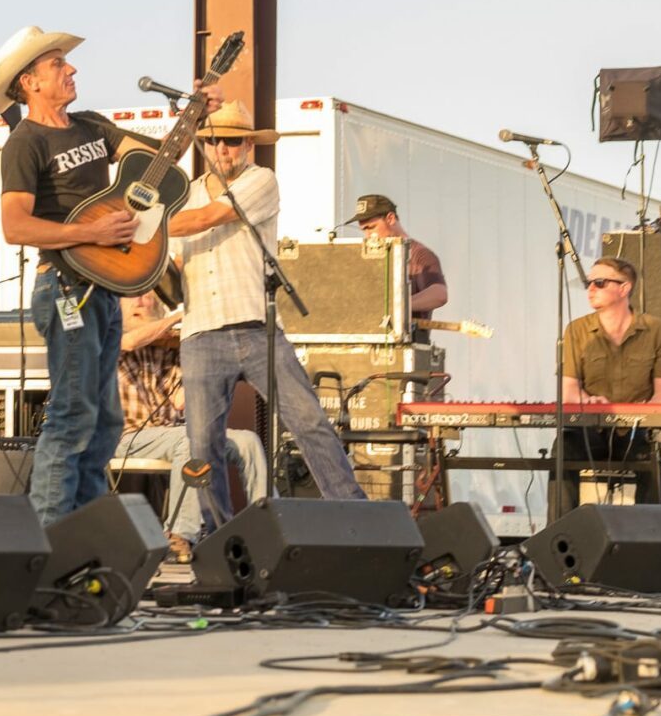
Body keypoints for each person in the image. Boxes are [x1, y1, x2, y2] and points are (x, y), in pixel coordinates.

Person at [0, 25, 221, 524]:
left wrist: (195, 111)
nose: (70, 69)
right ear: (29, 82)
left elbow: (162, 162)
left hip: (106, 290)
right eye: (56, 65)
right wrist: (89, 235)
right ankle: (50, 543)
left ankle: (86, 536)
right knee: (73, 418)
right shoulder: (24, 143)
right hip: (66, 287)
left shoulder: (93, 126)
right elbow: (15, 226)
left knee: (105, 422)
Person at [167, 100, 366, 525]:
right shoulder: (184, 193)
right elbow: (175, 263)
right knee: (202, 445)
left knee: (309, 422)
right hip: (201, 331)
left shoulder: (261, 180)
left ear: (248, 146)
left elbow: (208, 218)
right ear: (206, 143)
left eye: (234, 140)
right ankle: (218, 536)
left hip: (257, 326)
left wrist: (144, 224)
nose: (224, 148)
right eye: (217, 140)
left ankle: (355, 517)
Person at [114, 292, 267, 562]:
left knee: (249, 441)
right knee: (192, 441)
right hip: (125, 438)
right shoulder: (111, 331)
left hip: (170, 434)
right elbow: (130, 341)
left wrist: (202, 354)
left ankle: (267, 526)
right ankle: (179, 534)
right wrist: (183, 316)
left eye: (147, 297)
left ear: (156, 305)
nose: (139, 301)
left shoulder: (172, 347)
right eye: (131, 296)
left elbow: (181, 401)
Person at [552, 255, 661, 519]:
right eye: (588, 283)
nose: (590, 289)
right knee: (563, 448)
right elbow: (569, 390)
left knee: (654, 455)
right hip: (591, 430)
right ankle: (559, 536)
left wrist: (645, 414)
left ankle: (650, 538)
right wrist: (587, 400)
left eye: (599, 282)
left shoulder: (656, 330)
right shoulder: (577, 330)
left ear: (624, 288)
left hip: (635, 432)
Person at [347, 194, 447, 341]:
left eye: (371, 228)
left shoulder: (420, 254)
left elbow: (440, 295)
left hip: (406, 345)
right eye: (364, 230)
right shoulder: (368, 258)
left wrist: (398, 306)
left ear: (391, 218)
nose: (368, 235)